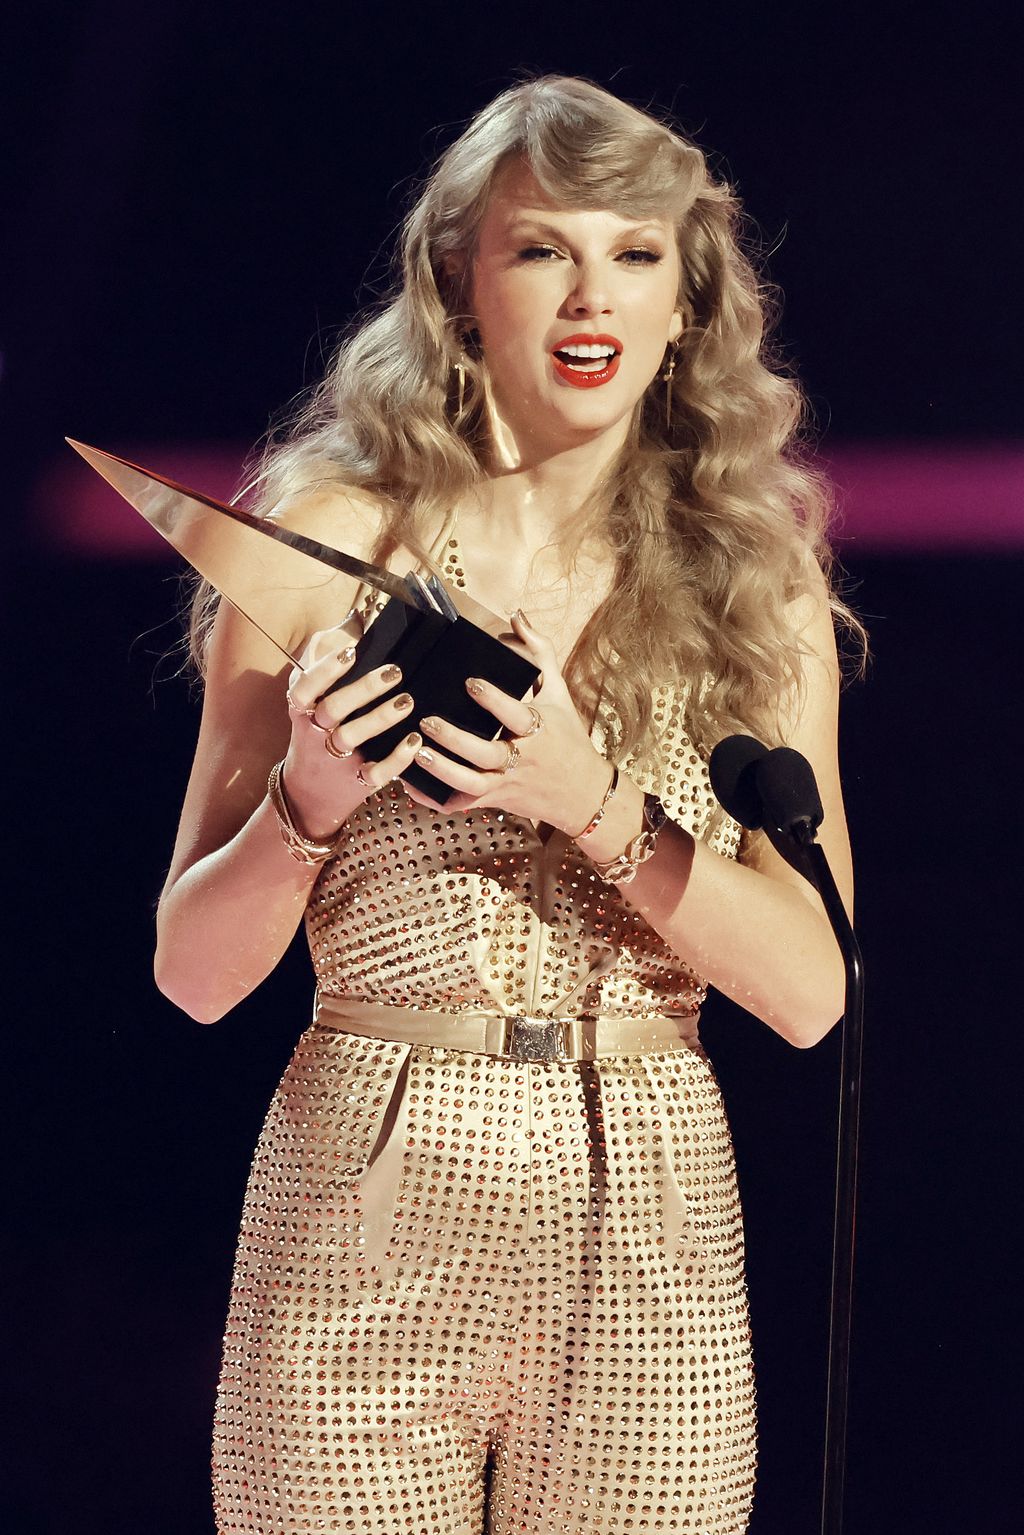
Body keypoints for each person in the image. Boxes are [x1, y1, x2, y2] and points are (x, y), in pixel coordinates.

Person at [156, 75, 858, 1535]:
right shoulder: (328, 552)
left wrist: (595, 801)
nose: (591, 292)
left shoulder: (756, 589)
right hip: (368, 1197)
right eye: (543, 249)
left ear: (687, 302)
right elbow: (195, 977)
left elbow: (809, 995)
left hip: (646, 1209)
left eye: (637, 252)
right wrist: (308, 796)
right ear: (463, 285)